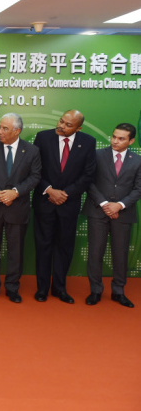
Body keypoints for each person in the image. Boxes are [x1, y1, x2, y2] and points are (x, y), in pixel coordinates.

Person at [32, 110, 96, 303]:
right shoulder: (43, 137)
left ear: (79, 128)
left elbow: (88, 174)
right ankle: (42, 289)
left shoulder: (88, 142)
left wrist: (65, 193)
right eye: (61, 121)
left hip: (69, 204)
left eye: (68, 125)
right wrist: (50, 190)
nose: (61, 126)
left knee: (64, 247)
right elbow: (34, 169)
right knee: (43, 246)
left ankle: (59, 288)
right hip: (45, 201)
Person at [0, 113, 41, 303]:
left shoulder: (32, 151)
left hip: (17, 207)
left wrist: (15, 192)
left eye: (5, 128)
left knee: (16, 252)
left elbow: (35, 176)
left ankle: (12, 288)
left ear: (17, 131)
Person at [83, 123, 141, 308]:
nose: (115, 141)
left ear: (131, 141)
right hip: (97, 211)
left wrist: (119, 205)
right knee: (95, 252)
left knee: (120, 253)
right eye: (114, 136)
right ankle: (95, 290)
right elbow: (88, 182)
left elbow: (138, 188)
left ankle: (118, 291)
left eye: (121, 138)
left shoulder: (138, 160)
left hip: (123, 214)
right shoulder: (96, 155)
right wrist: (105, 204)